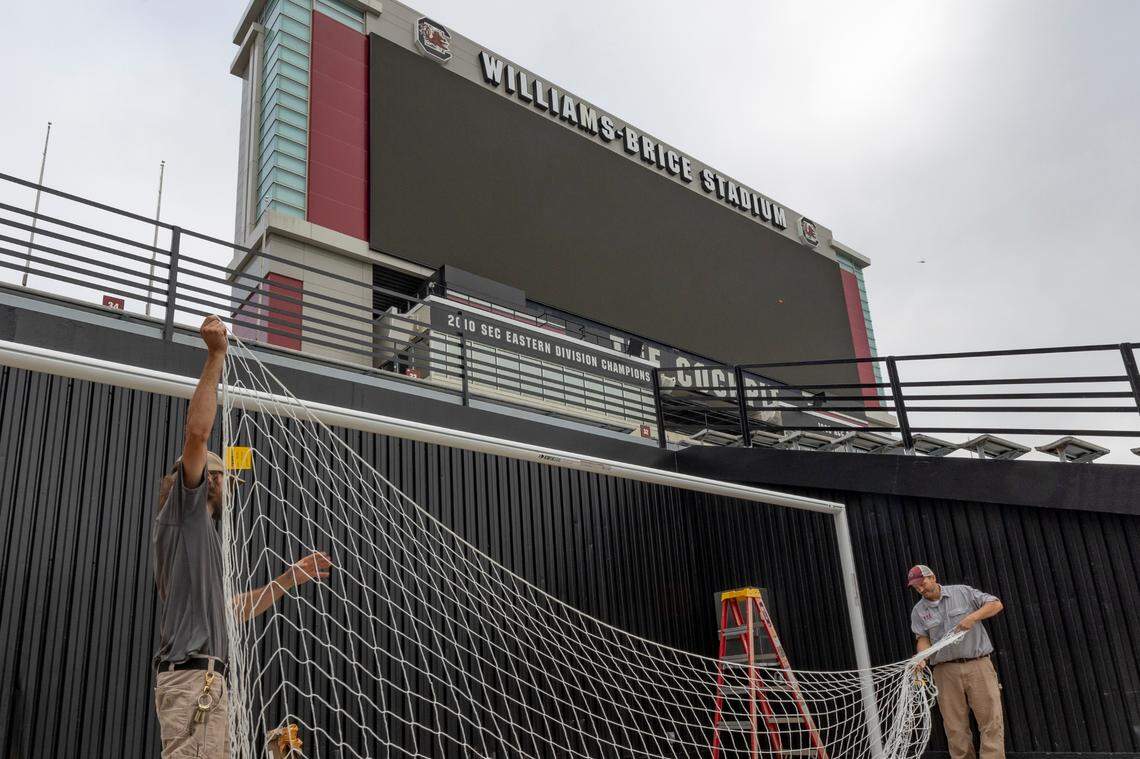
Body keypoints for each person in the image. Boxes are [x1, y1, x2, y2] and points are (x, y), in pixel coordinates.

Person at [152, 315, 333, 758]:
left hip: (207, 684)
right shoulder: (187, 510)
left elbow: (233, 608)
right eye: (228, 479)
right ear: (209, 479)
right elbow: (197, 433)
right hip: (196, 684)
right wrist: (215, 357)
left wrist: (288, 579)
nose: (233, 487)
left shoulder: (198, 542)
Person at [908, 564, 1005, 759]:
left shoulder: (962, 592)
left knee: (991, 721)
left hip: (978, 664)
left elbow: (996, 604)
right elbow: (923, 639)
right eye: (916, 587)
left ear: (932, 577)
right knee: (955, 727)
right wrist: (921, 658)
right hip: (945, 671)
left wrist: (973, 617)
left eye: (922, 583)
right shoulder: (918, 611)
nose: (921, 588)